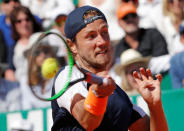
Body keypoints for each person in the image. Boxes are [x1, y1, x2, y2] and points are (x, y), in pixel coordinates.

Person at [51, 5, 168, 131]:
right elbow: (87, 122)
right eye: (91, 36)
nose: (102, 41)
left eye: (104, 32)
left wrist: (154, 105)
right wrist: (97, 95)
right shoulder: (66, 76)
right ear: (72, 45)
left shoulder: (118, 94)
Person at [114, 3, 170, 75]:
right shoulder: (119, 47)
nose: (130, 19)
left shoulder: (153, 34)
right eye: (125, 17)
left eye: (133, 15)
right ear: (119, 23)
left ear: (138, 18)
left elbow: (164, 61)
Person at [10, 5, 42, 81]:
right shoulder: (12, 48)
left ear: (32, 21)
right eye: (19, 21)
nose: (24, 24)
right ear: (14, 25)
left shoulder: (44, 38)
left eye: (27, 19)